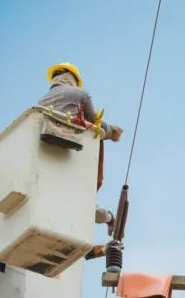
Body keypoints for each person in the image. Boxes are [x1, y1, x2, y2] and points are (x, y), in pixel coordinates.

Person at [38, 63, 122, 259]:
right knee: (78, 201)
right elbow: (95, 125)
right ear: (74, 79)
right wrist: (113, 132)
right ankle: (104, 225)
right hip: (70, 154)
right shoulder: (79, 95)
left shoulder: (40, 101)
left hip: (44, 160)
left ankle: (87, 246)